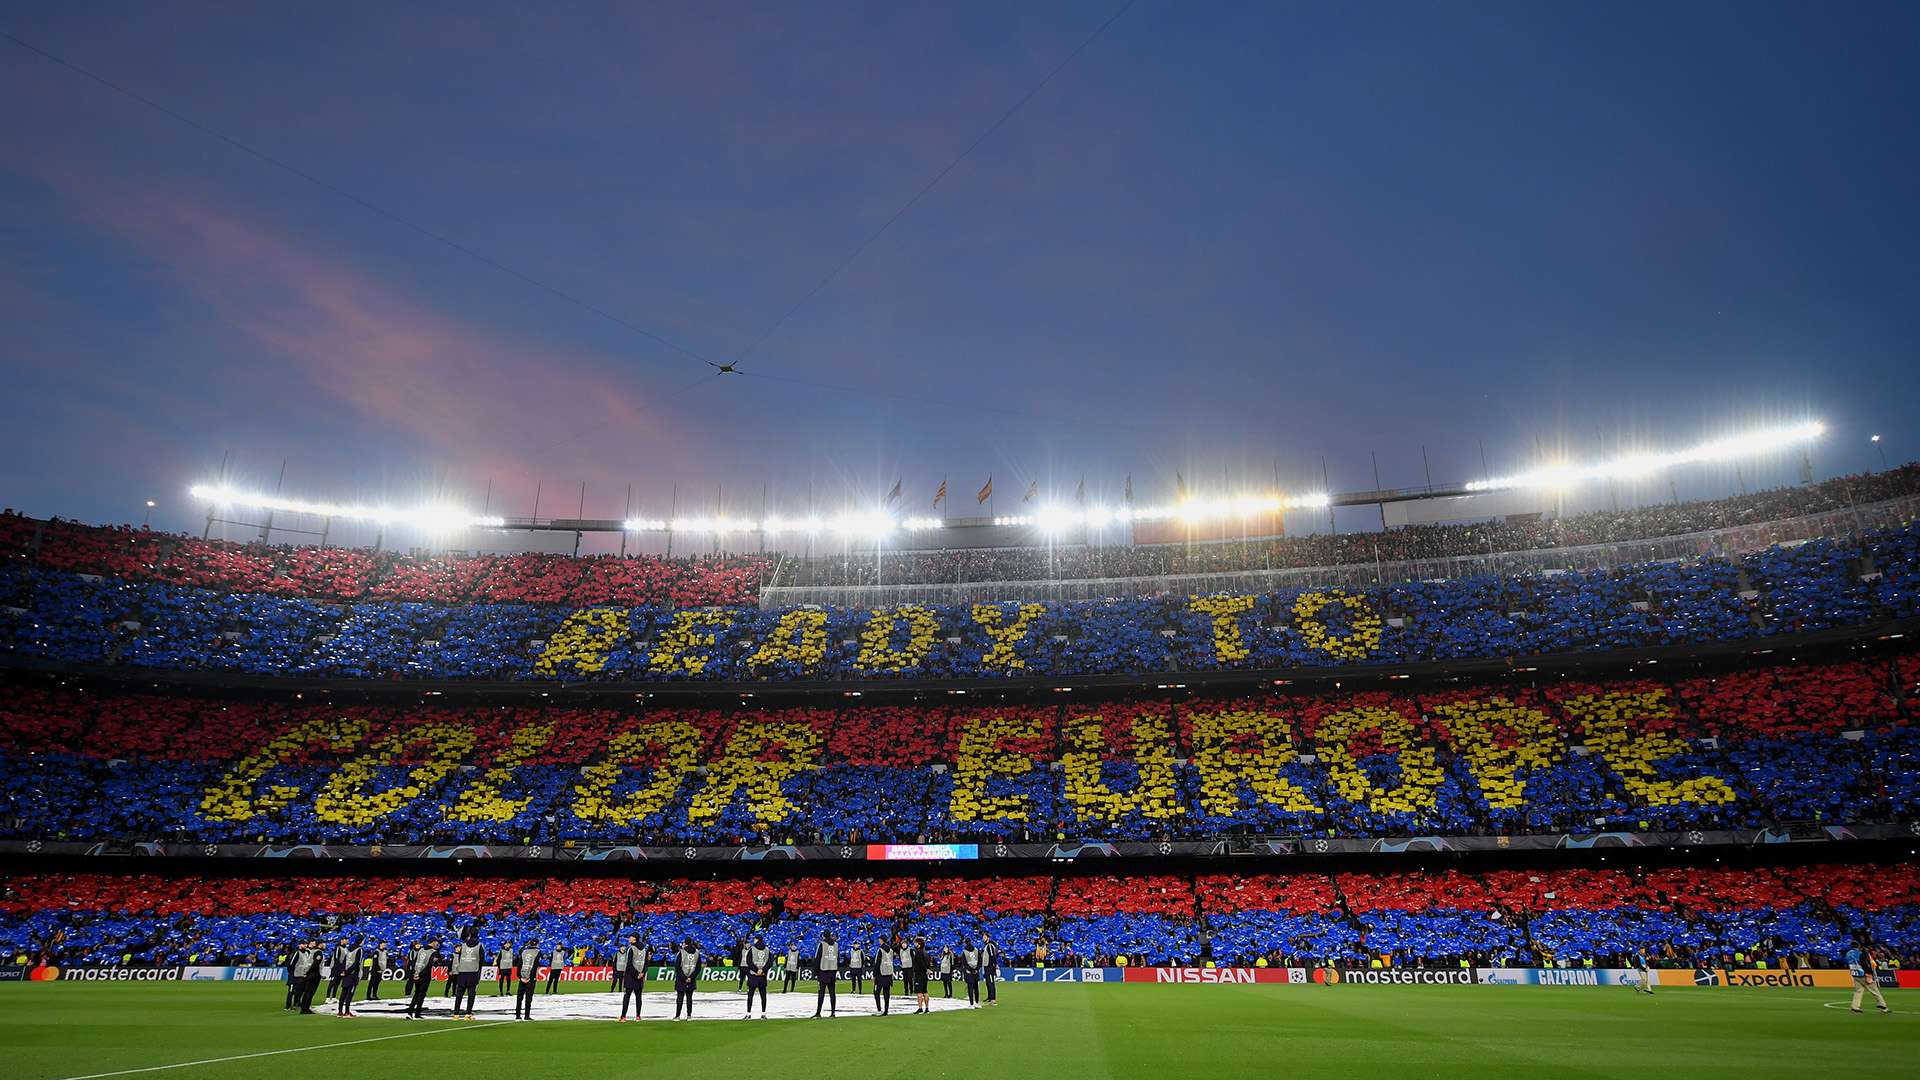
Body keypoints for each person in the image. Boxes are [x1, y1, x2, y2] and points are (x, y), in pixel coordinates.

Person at [1847, 940, 1891, 1014]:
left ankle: (1855, 1006)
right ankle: (1882, 1005)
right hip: (1863, 974)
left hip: (1854, 974)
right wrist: (1869, 973)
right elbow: (1865, 964)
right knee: (1874, 990)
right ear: (1858, 946)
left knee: (1858, 991)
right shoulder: (1860, 953)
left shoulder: (1848, 953)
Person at [451, 934, 484, 1019]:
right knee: (471, 994)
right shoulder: (479, 945)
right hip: (473, 972)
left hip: (462, 972)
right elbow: (482, 960)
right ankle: (468, 1014)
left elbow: (459, 958)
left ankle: (456, 1014)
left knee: (459, 994)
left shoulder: (463, 945)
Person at [616, 935, 647, 1021]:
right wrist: (642, 973)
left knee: (627, 996)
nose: (629, 938)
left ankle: (623, 1016)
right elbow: (646, 963)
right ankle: (638, 1016)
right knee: (638, 997)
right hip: (640, 976)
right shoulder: (644, 949)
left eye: (631, 937)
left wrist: (636, 974)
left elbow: (629, 964)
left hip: (631, 976)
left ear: (634, 938)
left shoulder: (631, 949)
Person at [404, 940, 436, 1020]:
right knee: (422, 994)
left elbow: (415, 962)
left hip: (417, 974)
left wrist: (415, 973)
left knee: (416, 993)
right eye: (435, 942)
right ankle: (417, 1013)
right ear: (433, 942)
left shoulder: (421, 950)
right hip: (425, 975)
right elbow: (429, 965)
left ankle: (410, 1012)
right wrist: (421, 974)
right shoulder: (432, 952)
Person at [743, 936, 772, 1019]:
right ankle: (763, 1014)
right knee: (763, 996)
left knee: (750, 996)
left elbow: (749, 961)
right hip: (762, 976)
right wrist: (763, 970)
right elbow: (770, 962)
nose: (754, 940)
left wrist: (756, 970)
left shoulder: (752, 949)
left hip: (753, 975)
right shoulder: (767, 950)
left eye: (755, 939)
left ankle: (748, 1014)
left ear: (757, 940)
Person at [292, 939, 323, 1014]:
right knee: (310, 992)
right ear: (320, 944)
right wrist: (312, 972)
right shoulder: (318, 952)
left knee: (307, 992)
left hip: (308, 973)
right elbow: (315, 964)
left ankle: (303, 1008)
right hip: (314, 974)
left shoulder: (312, 951)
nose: (324, 945)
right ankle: (305, 1008)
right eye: (323, 943)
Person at [813, 931, 840, 1018]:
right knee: (832, 993)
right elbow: (838, 958)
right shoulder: (836, 945)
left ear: (823, 936)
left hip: (823, 971)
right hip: (832, 971)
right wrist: (836, 969)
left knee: (821, 993)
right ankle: (833, 1013)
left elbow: (818, 958)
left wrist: (815, 972)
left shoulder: (822, 944)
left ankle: (818, 1012)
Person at [673, 938, 701, 1020]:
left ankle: (677, 1016)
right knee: (689, 998)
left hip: (681, 978)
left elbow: (677, 967)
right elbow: (698, 967)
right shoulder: (697, 952)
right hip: (691, 979)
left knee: (680, 997)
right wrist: (691, 977)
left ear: (685, 943)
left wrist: (684, 977)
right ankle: (689, 1016)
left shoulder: (681, 952)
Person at [514, 940, 540, 1020]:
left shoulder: (524, 951)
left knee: (519, 997)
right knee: (528, 998)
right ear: (537, 944)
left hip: (522, 977)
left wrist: (520, 977)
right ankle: (527, 1015)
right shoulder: (537, 952)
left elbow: (519, 964)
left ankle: (518, 1015)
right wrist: (530, 978)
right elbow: (535, 966)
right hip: (530, 979)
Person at [872, 940, 895, 1016]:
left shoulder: (880, 950)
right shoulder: (891, 950)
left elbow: (877, 963)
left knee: (876, 992)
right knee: (886, 993)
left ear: (881, 940)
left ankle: (879, 1010)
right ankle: (886, 1010)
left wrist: (874, 974)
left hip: (881, 974)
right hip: (888, 974)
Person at [910, 936, 932, 1014]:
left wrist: (925, 969)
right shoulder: (926, 952)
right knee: (925, 991)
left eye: (916, 943)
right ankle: (927, 1008)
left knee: (919, 992)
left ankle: (920, 1008)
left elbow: (920, 963)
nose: (914, 944)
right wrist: (928, 969)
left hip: (919, 974)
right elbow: (928, 963)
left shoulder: (918, 952)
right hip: (925, 974)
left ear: (918, 944)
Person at [960, 942, 982, 1008]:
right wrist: (976, 969)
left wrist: (971, 970)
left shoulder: (964, 952)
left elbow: (964, 963)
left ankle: (971, 1004)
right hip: (976, 972)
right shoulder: (976, 950)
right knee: (976, 988)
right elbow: (980, 961)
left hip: (969, 972)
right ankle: (977, 1003)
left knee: (970, 988)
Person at [981, 934, 999, 1006]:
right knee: (988, 982)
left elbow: (992, 955)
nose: (983, 938)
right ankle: (989, 997)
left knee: (991, 982)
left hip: (990, 966)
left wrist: (995, 964)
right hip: (986, 966)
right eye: (983, 937)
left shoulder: (990, 945)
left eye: (985, 937)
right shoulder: (986, 945)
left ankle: (993, 999)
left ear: (988, 938)